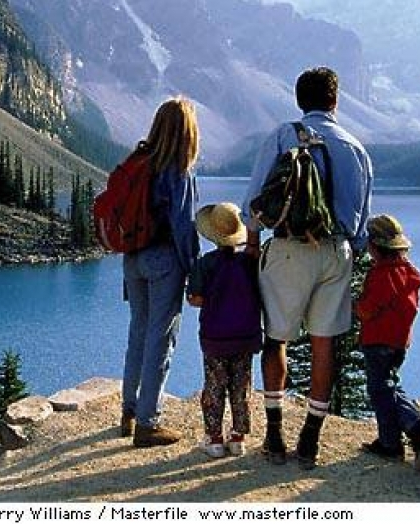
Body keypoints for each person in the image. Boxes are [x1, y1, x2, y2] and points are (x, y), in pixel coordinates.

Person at [241, 66, 373, 470]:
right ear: (335, 101)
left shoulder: (284, 135)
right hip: (336, 251)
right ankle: (310, 439)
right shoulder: (356, 148)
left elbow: (254, 205)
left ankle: (275, 434)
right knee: (324, 343)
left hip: (288, 250)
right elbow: (363, 224)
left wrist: (251, 245)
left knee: (276, 340)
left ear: (300, 100)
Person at [121, 97, 200, 447]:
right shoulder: (177, 170)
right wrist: (195, 271)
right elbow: (184, 229)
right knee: (160, 337)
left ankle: (129, 410)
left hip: (132, 258)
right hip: (163, 260)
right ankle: (148, 423)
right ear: (188, 132)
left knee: (138, 331)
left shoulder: (139, 162)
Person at [356, 214, 420, 472]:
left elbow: (367, 311)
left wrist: (352, 305)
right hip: (399, 342)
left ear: (374, 247)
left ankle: (417, 427)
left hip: (377, 341)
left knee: (381, 391)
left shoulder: (382, 275)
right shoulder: (409, 273)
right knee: (389, 385)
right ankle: (389, 444)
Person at [187, 203, 262, 458]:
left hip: (215, 337)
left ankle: (215, 438)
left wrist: (214, 299)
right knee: (241, 386)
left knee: (215, 386)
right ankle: (238, 437)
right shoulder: (249, 262)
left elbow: (195, 299)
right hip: (245, 336)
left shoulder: (205, 263)